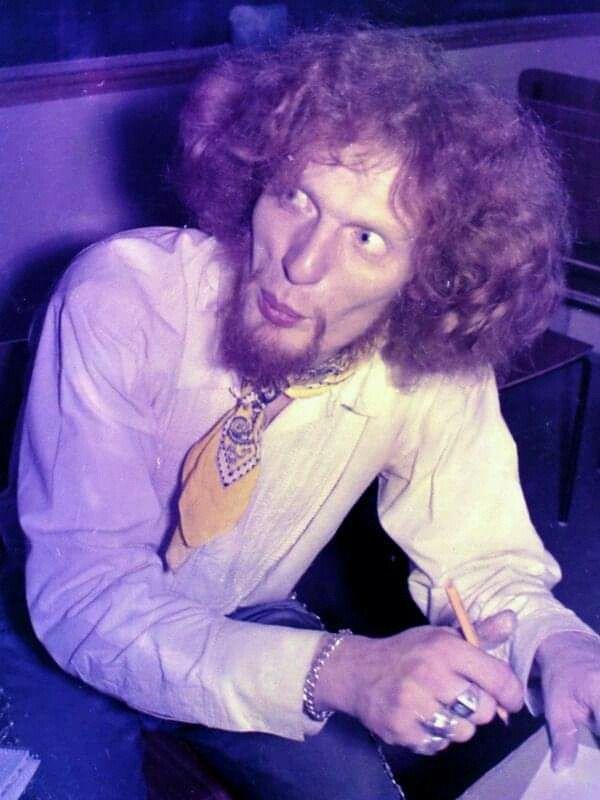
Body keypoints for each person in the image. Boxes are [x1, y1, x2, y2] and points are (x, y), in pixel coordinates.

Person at [8, 23, 600, 800]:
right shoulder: (123, 297)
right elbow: (88, 598)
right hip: (49, 625)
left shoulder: (427, 365)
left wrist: (559, 644)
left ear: (432, 274)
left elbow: (480, 559)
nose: (300, 261)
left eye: (366, 237)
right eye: (295, 196)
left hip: (244, 614)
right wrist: (342, 670)